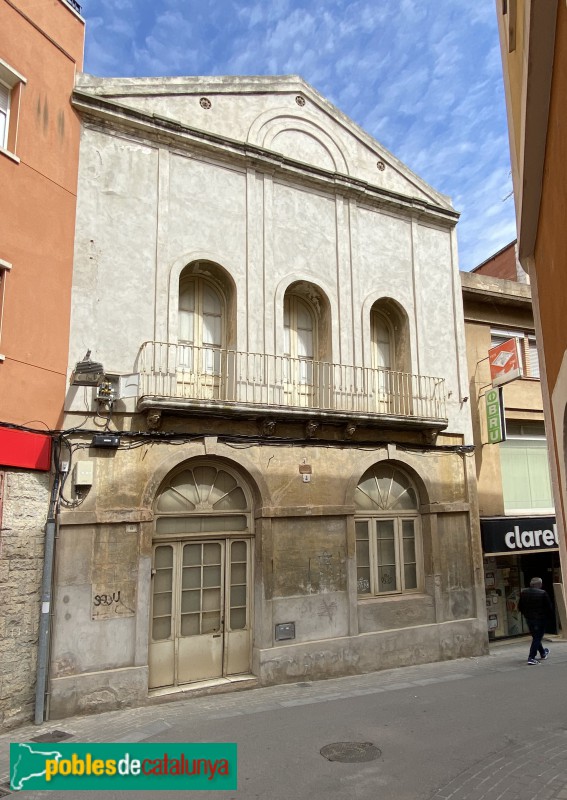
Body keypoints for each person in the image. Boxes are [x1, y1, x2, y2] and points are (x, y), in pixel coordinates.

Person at [518, 577, 553, 665]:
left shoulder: (523, 593)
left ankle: (543, 653)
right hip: (540, 619)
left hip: (529, 619)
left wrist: (525, 614)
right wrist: (547, 617)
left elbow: (520, 606)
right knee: (537, 637)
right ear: (539, 584)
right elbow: (549, 607)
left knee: (536, 637)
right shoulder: (543, 593)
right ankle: (531, 657)